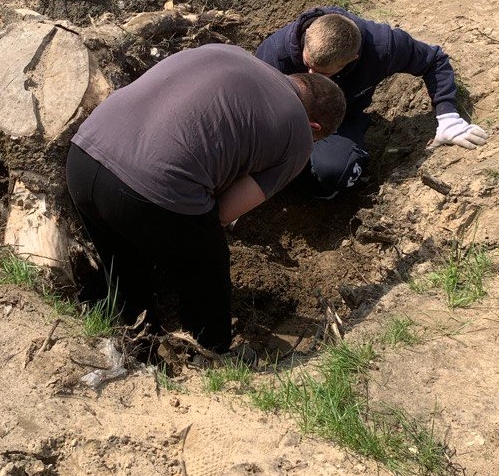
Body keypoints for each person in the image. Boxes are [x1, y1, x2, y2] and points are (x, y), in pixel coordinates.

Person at [66, 43, 345, 354]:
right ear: (315, 127)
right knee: (208, 264)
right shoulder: (299, 138)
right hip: (148, 188)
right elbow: (224, 213)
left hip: (83, 157)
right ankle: (211, 350)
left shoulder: (231, 53)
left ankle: (136, 338)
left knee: (122, 261)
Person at [255, 6, 487, 199]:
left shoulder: (383, 47)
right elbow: (253, 107)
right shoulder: (276, 53)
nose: (311, 75)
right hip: (282, 121)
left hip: (341, 120)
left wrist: (447, 115)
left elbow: (434, 60)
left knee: (335, 174)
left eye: (323, 73)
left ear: (352, 59)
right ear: (305, 41)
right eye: (307, 65)